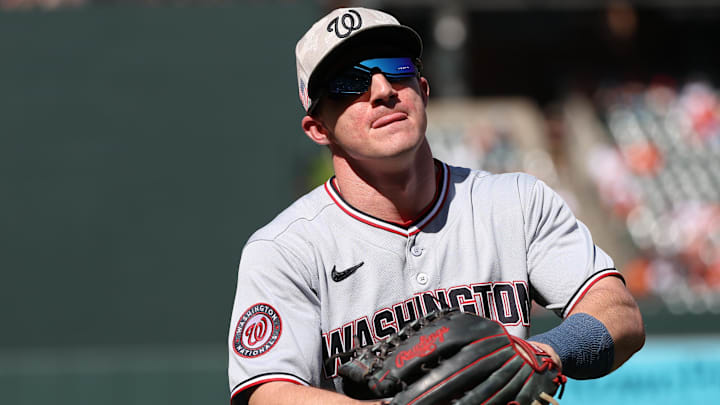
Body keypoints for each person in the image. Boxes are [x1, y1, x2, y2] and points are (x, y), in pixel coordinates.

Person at [228, 7, 645, 405]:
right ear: (318, 129)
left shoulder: (515, 202)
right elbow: (268, 394)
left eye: (395, 67)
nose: (382, 90)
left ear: (423, 92)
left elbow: (619, 314)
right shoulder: (285, 250)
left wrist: (542, 353)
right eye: (347, 81)